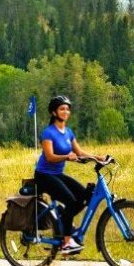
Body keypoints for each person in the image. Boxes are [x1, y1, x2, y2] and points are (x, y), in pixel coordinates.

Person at [34, 95, 106, 255]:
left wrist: (97, 158)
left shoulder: (68, 132)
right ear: (54, 112)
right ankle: (66, 244)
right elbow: (50, 156)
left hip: (57, 174)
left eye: (67, 108)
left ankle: (62, 219)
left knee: (84, 196)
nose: (66, 111)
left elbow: (79, 153)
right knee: (70, 201)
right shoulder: (48, 133)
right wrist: (67, 157)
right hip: (44, 175)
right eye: (62, 108)